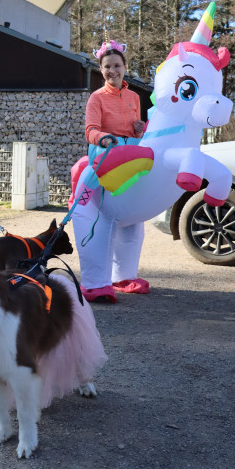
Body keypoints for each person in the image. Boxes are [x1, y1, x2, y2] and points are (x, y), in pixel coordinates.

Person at [71, 38, 149, 303]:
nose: (112, 70)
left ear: (125, 67)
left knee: (134, 218)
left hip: (130, 153)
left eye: (117, 65)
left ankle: (124, 276)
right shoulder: (96, 97)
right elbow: (90, 130)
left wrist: (140, 130)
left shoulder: (134, 97)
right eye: (107, 66)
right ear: (101, 70)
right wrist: (104, 138)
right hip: (106, 154)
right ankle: (96, 281)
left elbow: (136, 130)